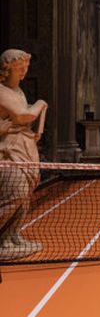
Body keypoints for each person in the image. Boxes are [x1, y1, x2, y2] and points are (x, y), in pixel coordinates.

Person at [0, 49, 48, 260]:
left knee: (24, 197)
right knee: (14, 194)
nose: (23, 73)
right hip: (9, 152)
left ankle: (10, 238)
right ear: (6, 69)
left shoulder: (18, 92)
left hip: (24, 146)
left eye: (25, 68)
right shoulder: (1, 91)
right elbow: (22, 115)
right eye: (20, 69)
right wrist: (39, 104)